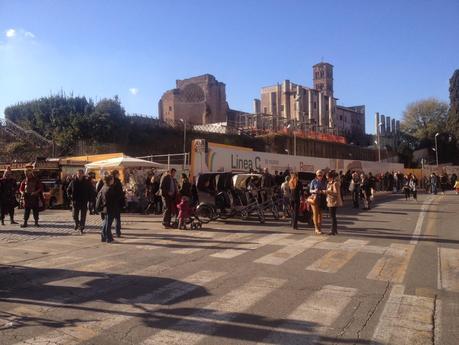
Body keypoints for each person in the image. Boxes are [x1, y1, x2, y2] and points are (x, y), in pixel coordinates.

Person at [96, 174, 117, 243]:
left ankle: (103, 237)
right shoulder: (109, 189)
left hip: (104, 208)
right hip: (109, 208)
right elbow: (112, 200)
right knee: (108, 224)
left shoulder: (104, 187)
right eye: (112, 179)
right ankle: (108, 238)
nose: (113, 180)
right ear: (110, 180)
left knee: (105, 223)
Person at [309, 169, 326, 234]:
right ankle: (316, 228)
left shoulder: (324, 182)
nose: (320, 176)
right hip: (315, 198)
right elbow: (310, 190)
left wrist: (323, 191)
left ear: (323, 175)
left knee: (320, 214)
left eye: (321, 175)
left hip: (322, 198)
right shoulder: (313, 181)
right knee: (315, 214)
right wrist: (314, 191)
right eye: (319, 175)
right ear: (316, 175)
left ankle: (319, 227)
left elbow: (326, 189)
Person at [326, 171, 342, 235]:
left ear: (331, 177)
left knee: (332, 216)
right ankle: (335, 230)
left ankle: (333, 230)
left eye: (327, 177)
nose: (327, 178)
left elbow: (336, 193)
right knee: (332, 216)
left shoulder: (335, 183)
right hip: (329, 201)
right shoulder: (329, 183)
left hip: (334, 202)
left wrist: (328, 192)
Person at [111, 170, 125, 237]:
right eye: (118, 174)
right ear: (115, 174)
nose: (119, 174)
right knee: (117, 218)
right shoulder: (117, 181)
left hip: (111, 202)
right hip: (116, 202)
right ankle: (117, 232)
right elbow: (120, 192)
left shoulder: (111, 181)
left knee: (111, 218)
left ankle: (113, 232)